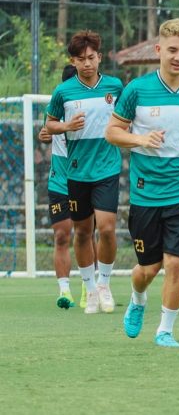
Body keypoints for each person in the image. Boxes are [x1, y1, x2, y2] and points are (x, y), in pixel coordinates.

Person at [107, 18, 179, 347]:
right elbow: (112, 132)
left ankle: (165, 330)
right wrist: (142, 139)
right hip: (146, 192)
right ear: (159, 49)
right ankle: (137, 300)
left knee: (175, 262)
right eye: (172, 50)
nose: (178, 56)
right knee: (148, 268)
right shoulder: (137, 90)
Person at [46, 30, 123, 314]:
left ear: (99, 57)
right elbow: (49, 124)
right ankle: (89, 289)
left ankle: (104, 283)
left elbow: (128, 118)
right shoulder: (63, 92)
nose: (87, 63)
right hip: (76, 173)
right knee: (81, 233)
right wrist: (66, 126)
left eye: (91, 58)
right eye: (81, 59)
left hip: (107, 168)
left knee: (107, 228)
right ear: (73, 61)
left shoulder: (115, 87)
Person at [39, 64, 77, 308]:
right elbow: (47, 131)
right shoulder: (55, 106)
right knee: (62, 235)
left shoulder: (95, 105)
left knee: (88, 235)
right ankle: (64, 291)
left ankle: (91, 288)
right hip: (60, 181)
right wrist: (44, 135)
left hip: (87, 178)